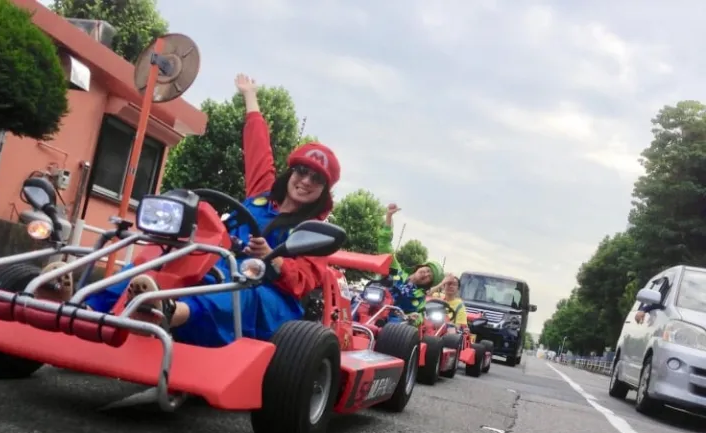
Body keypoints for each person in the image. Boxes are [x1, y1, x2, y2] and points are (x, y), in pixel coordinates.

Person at [38, 73, 341, 348]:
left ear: (323, 191)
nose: (305, 181)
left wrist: (273, 260)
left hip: (270, 298)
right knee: (157, 264)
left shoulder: (312, 231)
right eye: (302, 171)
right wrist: (250, 96)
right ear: (291, 173)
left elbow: (303, 280)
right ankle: (85, 308)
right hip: (220, 266)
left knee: (238, 290)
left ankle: (167, 312)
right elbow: (258, 148)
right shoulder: (262, 192)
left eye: (316, 179)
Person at [363, 203, 443, 326]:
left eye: (429, 277)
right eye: (427, 270)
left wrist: (413, 317)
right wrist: (389, 216)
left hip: (391, 324)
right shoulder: (396, 270)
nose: (425, 274)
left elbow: (420, 317)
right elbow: (385, 245)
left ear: (428, 284)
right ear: (421, 266)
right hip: (369, 306)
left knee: (396, 324)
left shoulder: (419, 299)